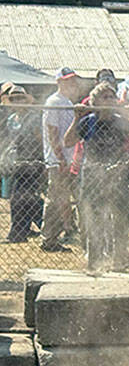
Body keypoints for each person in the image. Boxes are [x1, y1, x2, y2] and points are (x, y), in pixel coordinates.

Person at [64, 83, 129, 272]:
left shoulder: (121, 121)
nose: (109, 100)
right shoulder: (89, 122)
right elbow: (68, 141)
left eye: (112, 96)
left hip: (117, 174)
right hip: (93, 174)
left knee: (120, 218)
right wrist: (77, 117)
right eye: (105, 97)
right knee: (94, 219)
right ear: (95, 101)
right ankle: (94, 263)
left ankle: (118, 261)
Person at [40, 68, 82, 252]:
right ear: (59, 82)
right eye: (67, 80)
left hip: (70, 159)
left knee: (69, 199)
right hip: (60, 161)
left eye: (73, 80)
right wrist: (60, 158)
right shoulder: (54, 102)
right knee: (57, 199)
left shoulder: (67, 102)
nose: (71, 84)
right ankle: (49, 238)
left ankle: (65, 232)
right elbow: (52, 131)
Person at [1, 87, 45, 243]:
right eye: (14, 99)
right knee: (21, 198)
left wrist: (42, 161)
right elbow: (10, 140)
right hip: (17, 162)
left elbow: (40, 139)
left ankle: (19, 232)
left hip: (32, 162)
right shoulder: (12, 119)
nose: (17, 102)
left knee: (23, 198)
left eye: (20, 98)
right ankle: (25, 229)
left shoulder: (34, 118)